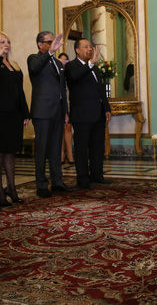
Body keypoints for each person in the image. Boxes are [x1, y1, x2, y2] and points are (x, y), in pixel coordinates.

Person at [0, 32, 30, 206]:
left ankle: (11, 188)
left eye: (8, 42)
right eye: (2, 42)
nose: (6, 44)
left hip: (14, 115)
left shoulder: (14, 65)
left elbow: (20, 91)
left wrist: (25, 112)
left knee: (11, 151)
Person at [27, 31, 73, 197]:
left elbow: (62, 89)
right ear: (40, 44)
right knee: (42, 149)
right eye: (49, 42)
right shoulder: (34, 58)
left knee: (55, 149)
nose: (53, 44)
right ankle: (41, 184)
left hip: (58, 112)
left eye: (54, 42)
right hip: (42, 111)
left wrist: (65, 111)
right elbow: (35, 68)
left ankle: (58, 182)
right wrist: (50, 52)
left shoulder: (58, 63)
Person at [65, 38, 112, 189]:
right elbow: (75, 78)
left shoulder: (95, 68)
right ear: (77, 50)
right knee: (82, 148)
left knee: (97, 147)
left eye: (90, 47)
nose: (89, 49)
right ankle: (83, 179)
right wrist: (91, 64)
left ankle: (97, 175)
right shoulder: (71, 66)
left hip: (98, 114)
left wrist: (107, 108)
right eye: (86, 47)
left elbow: (100, 90)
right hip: (82, 115)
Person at [58, 52, 74, 166]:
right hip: (58, 105)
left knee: (68, 128)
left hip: (69, 103)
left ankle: (70, 155)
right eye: (61, 60)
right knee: (59, 131)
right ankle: (61, 155)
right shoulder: (55, 72)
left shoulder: (70, 73)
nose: (64, 62)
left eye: (66, 60)